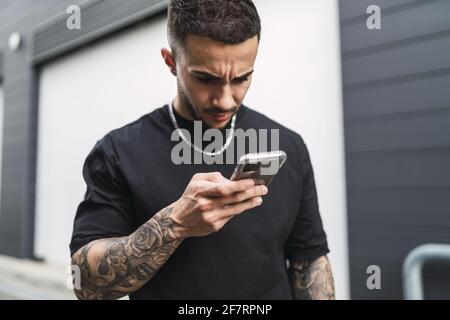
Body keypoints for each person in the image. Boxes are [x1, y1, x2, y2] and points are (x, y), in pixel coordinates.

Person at [70, 0, 335, 300]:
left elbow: (309, 260)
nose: (224, 100)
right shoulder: (118, 152)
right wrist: (176, 223)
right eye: (206, 78)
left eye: (241, 78)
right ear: (171, 62)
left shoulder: (288, 146)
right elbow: (86, 286)